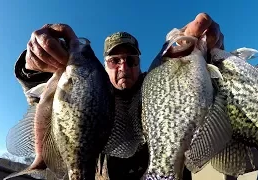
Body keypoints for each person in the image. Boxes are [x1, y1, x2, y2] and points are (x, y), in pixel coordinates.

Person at [14, 13, 224, 180]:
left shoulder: (159, 88)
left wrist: (209, 54)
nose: (123, 66)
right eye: (115, 60)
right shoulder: (89, 87)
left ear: (139, 64)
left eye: (131, 60)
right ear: (105, 65)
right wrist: (35, 64)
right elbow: (43, 96)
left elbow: (199, 90)